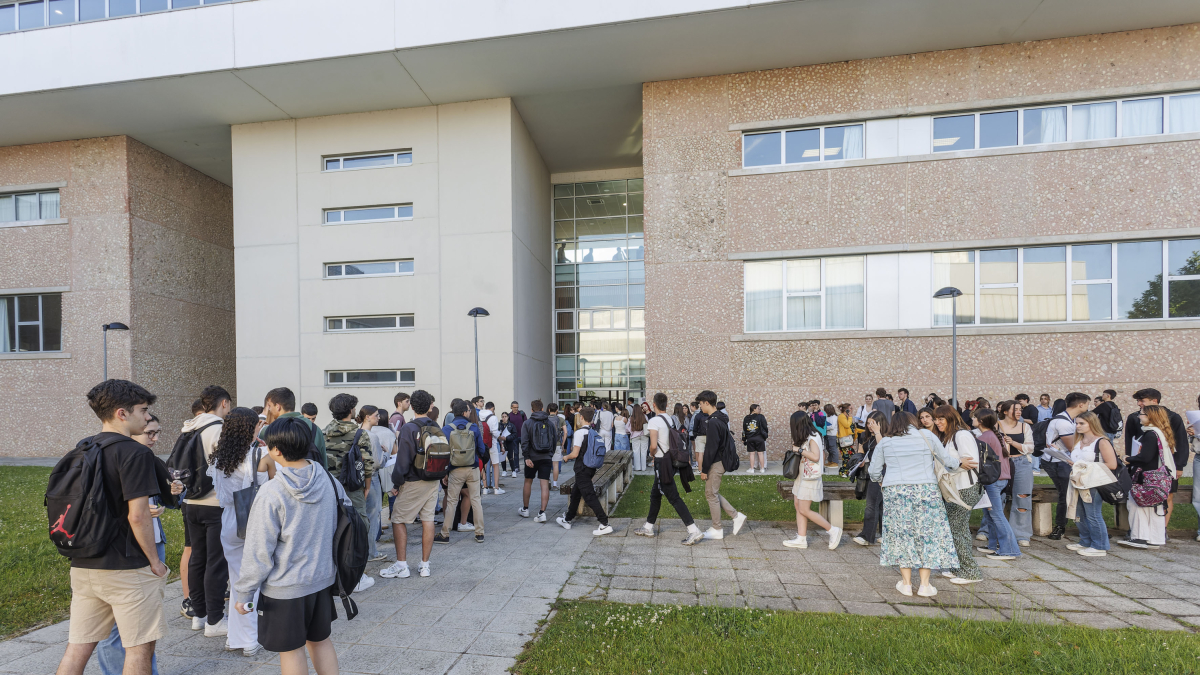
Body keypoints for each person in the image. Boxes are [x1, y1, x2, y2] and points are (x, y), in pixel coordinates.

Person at [56, 380, 172, 675]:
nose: (147, 417)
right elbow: (138, 516)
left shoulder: (83, 449)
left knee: (77, 649)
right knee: (138, 649)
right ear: (122, 413)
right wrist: (155, 562)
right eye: (143, 410)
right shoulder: (135, 453)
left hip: (84, 565)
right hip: (127, 570)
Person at [234, 416, 348, 675]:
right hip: (321, 579)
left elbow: (258, 549)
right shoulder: (329, 481)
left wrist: (244, 592)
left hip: (285, 588)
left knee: (292, 650)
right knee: (320, 641)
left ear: (276, 450)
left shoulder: (272, 492)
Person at [93, 414, 170, 675]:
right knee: (116, 629)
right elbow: (131, 514)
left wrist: (173, 493)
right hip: (126, 552)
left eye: (157, 432)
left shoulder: (147, 459)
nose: (155, 438)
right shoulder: (116, 457)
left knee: (147, 625)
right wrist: (155, 561)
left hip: (151, 544)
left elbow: (163, 501)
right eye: (149, 432)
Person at [868, 411, 960, 598]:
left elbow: (874, 470)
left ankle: (907, 583)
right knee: (926, 534)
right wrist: (959, 464)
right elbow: (948, 461)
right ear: (913, 422)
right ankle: (925, 585)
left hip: (896, 491)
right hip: (926, 490)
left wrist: (879, 480)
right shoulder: (926, 435)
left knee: (902, 534)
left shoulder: (886, 441)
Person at [208, 407, 270, 656]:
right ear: (251, 427)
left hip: (230, 520)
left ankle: (236, 637)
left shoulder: (219, 457)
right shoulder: (262, 454)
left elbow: (221, 495)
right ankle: (251, 637)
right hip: (255, 519)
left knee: (237, 580)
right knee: (257, 580)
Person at [183, 385, 232, 637]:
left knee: (197, 560)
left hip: (191, 503)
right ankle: (215, 620)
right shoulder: (217, 429)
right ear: (224, 403)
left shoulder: (189, 427)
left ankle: (199, 615)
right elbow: (227, 468)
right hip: (214, 504)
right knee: (216, 563)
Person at [380, 390, 440, 579]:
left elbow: (403, 461)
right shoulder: (435, 425)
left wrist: (397, 482)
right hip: (433, 479)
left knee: (398, 519)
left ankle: (401, 565)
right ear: (430, 406)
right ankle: (424, 565)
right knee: (428, 520)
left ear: (412, 406)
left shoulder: (409, 428)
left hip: (413, 480)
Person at [635, 393, 704, 545]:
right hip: (670, 461)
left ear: (653, 405)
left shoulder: (654, 421)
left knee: (673, 497)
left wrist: (652, 455)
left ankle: (693, 530)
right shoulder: (670, 419)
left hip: (661, 462)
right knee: (655, 494)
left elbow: (653, 446)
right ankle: (648, 526)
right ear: (666, 405)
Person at [1124, 388, 1189, 531]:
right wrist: (1130, 460)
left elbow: (1181, 442)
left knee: (1166, 496)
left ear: (1154, 401)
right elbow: (1130, 440)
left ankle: (1162, 529)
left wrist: (1179, 465)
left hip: (1166, 465)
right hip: (1141, 464)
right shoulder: (1134, 417)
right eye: (1138, 401)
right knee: (1140, 495)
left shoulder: (1173, 417)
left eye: (1142, 401)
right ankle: (1139, 528)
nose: (1138, 404)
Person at [931, 405, 983, 584]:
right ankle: (957, 566)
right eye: (936, 419)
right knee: (957, 529)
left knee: (956, 529)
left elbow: (970, 462)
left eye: (941, 419)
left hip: (965, 488)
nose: (937, 423)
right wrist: (954, 464)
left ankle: (971, 572)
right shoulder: (948, 437)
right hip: (954, 489)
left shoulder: (961, 435)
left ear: (951, 418)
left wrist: (950, 466)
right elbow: (957, 462)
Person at [783, 413, 842, 550]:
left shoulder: (813, 437)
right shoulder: (807, 436)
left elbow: (816, 456)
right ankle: (801, 538)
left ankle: (833, 530)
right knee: (798, 505)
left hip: (810, 477)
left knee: (804, 509)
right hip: (802, 475)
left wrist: (799, 450)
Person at [1122, 405, 1178, 549]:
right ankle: (1155, 538)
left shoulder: (1150, 434)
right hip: (1159, 477)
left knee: (1137, 504)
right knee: (1155, 507)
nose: (1139, 416)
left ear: (1150, 416)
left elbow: (1145, 458)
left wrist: (1129, 458)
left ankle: (1140, 537)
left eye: (1141, 414)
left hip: (1146, 475)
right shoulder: (1161, 433)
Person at [695, 391, 747, 540]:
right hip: (720, 462)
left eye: (700, 404)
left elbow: (711, 448)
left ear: (706, 403)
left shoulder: (713, 422)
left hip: (716, 463)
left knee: (711, 494)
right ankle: (736, 516)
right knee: (712, 493)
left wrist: (704, 470)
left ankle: (718, 528)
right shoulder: (720, 419)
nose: (700, 407)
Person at [972, 409, 1022, 561]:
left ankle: (1010, 550)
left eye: (974, 417)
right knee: (990, 514)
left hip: (993, 480)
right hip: (1001, 478)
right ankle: (993, 545)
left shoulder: (985, 437)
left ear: (980, 421)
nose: (972, 419)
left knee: (996, 514)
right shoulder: (994, 435)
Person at [1067, 411, 1119, 556]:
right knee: (1079, 513)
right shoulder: (1078, 440)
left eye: (1081, 423)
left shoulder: (1102, 441)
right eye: (1076, 423)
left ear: (1091, 424)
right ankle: (1086, 541)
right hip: (1078, 481)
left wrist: (1084, 465)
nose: (1078, 426)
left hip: (1093, 482)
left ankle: (1100, 545)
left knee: (1093, 513)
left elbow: (1112, 464)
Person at [557, 406, 614, 535]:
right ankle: (567, 519)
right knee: (576, 493)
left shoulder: (579, 433)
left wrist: (566, 457)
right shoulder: (593, 431)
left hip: (582, 468)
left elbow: (575, 454)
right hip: (590, 468)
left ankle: (605, 524)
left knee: (589, 495)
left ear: (581, 417)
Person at [324, 393, 376, 533]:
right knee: (359, 523)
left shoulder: (323, 433)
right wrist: (367, 487)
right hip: (352, 485)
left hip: (330, 486)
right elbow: (368, 464)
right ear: (350, 410)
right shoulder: (359, 434)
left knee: (333, 522)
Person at [436, 399, 486, 544]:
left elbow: (443, 453)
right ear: (464, 412)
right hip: (472, 468)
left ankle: (445, 534)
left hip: (455, 469)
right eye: (469, 411)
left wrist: (445, 472)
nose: (470, 412)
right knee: (476, 500)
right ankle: (480, 533)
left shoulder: (446, 429)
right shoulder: (474, 428)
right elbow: (482, 450)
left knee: (451, 501)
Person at [1041, 392, 1089, 540]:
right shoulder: (1065, 423)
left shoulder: (1065, 419)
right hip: (1060, 463)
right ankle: (1061, 526)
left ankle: (1080, 526)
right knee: (1066, 495)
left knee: (1067, 494)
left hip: (1054, 461)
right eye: (1087, 404)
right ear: (1081, 405)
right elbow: (1072, 448)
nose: (1088, 407)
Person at [995, 400, 1034, 547]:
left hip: (1021, 463)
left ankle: (1021, 534)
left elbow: (1030, 448)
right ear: (1005, 411)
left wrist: (1013, 443)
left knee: (1023, 497)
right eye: (1015, 409)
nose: (1019, 412)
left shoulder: (1025, 427)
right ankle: (990, 531)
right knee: (997, 497)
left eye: (1020, 410)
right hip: (1001, 464)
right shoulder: (996, 426)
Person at [178, 398, 203, 621]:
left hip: (195, 499)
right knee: (191, 548)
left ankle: (197, 596)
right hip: (194, 499)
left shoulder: (191, 434)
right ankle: (188, 599)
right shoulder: (192, 436)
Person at [355, 405, 388, 564]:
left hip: (357, 478)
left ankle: (361, 550)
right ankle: (371, 552)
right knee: (372, 516)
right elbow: (378, 462)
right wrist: (386, 453)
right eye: (376, 415)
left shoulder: (356, 432)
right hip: (371, 478)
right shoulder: (372, 437)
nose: (379, 417)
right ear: (367, 417)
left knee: (362, 515)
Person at [263, 387, 327, 469]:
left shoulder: (269, 431)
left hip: (282, 479)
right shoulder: (315, 428)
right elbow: (323, 461)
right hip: (312, 476)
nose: (269, 409)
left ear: (278, 406)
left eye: (270, 406)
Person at [853, 411, 888, 547]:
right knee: (879, 505)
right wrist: (859, 460)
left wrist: (878, 432)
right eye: (868, 423)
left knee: (872, 505)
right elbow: (861, 452)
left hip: (882, 473)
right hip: (869, 472)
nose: (869, 426)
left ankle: (866, 536)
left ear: (880, 423)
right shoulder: (865, 436)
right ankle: (885, 534)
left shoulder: (886, 437)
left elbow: (883, 450)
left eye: (872, 423)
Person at [519, 400, 557, 522]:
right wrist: (550, 454)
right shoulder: (550, 423)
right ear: (542, 409)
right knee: (544, 484)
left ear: (531, 410)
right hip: (546, 457)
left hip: (532, 457)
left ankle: (525, 509)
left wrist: (526, 457)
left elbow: (524, 442)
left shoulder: (527, 423)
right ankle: (542, 513)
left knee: (528, 482)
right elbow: (554, 440)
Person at [742, 404, 769, 473]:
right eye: (758, 408)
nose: (760, 410)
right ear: (754, 409)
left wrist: (744, 438)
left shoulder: (746, 418)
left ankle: (752, 469)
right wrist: (765, 435)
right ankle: (762, 469)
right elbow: (765, 427)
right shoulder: (760, 417)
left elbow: (744, 429)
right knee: (761, 453)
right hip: (759, 437)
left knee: (752, 454)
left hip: (750, 438)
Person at [507, 401, 528, 477]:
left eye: (517, 407)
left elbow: (526, 423)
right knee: (515, 453)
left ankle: (527, 466)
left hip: (522, 436)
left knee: (525, 451)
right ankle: (516, 467)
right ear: (511, 407)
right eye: (514, 407)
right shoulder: (509, 416)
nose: (516, 409)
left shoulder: (522, 414)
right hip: (514, 437)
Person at [630, 404, 649, 472]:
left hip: (635, 436)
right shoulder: (644, 416)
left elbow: (627, 428)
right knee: (644, 452)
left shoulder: (631, 418)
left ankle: (637, 467)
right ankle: (643, 468)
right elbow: (648, 425)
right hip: (644, 435)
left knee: (636, 452)